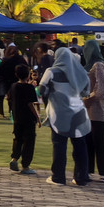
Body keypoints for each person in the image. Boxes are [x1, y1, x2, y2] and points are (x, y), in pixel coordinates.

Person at [39, 46, 91, 187]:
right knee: (80, 146)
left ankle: (58, 177)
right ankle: (81, 178)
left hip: (59, 115)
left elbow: (41, 90)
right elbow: (86, 92)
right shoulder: (81, 73)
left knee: (59, 145)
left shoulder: (50, 72)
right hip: (79, 114)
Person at [81, 40, 104, 183]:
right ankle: (88, 170)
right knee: (89, 142)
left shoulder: (98, 65)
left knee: (100, 142)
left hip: (100, 111)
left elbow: (103, 89)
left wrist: (89, 99)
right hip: (89, 111)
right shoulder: (88, 66)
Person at [6, 64, 40, 175]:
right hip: (28, 118)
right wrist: (37, 117)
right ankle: (25, 165)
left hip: (17, 117)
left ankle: (14, 159)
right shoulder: (30, 88)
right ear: (28, 75)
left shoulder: (13, 86)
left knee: (18, 138)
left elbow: (9, 98)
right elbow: (31, 104)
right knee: (29, 142)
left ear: (16, 75)